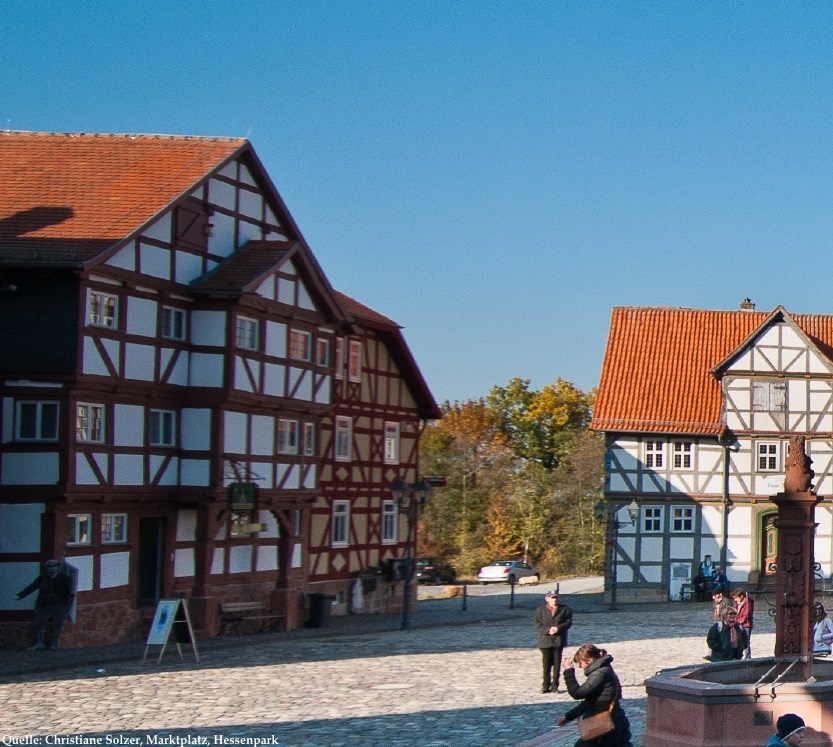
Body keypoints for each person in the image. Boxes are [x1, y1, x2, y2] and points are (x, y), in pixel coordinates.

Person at [557, 644, 633, 747]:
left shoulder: (599, 674)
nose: (580, 667)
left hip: (607, 725)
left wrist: (568, 671)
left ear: (589, 660)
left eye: (580, 663)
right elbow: (590, 701)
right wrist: (568, 717)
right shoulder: (602, 670)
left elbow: (577, 693)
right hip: (607, 723)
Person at [16, 559, 74, 650]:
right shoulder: (42, 578)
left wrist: (69, 598)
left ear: (57, 567)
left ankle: (55, 644)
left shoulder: (64, 578)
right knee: (40, 624)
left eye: (52, 567)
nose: (50, 569)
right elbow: (32, 587)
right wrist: (20, 595)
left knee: (58, 624)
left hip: (58, 605)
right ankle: (40, 643)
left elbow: (69, 592)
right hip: (43, 605)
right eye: (48, 567)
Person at [534, 590, 573, 693]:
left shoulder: (565, 609)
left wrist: (558, 628)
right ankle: (545, 685)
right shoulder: (540, 610)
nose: (554, 600)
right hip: (545, 640)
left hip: (558, 640)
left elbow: (568, 622)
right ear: (547, 599)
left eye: (556, 597)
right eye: (552, 598)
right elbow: (537, 624)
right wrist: (548, 630)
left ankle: (555, 685)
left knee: (556, 664)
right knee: (546, 664)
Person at [732, 588, 755, 658]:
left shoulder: (748, 603)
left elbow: (746, 615)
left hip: (745, 625)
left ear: (741, 596)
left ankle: (748, 657)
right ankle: (739, 655)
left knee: (746, 641)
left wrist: (738, 621)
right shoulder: (737, 604)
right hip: (738, 624)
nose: (735, 600)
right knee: (738, 640)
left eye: (736, 598)